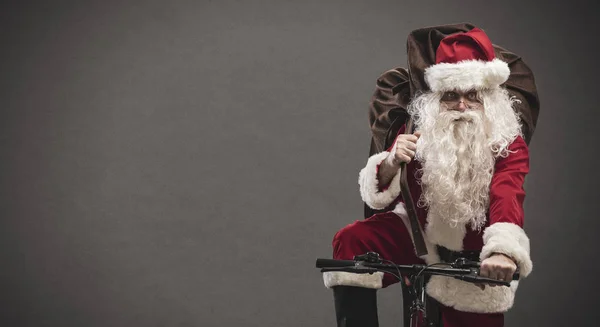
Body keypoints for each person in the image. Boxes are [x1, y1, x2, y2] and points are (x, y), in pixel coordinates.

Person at [322, 25, 539, 327]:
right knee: (352, 240)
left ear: (488, 98)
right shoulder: (420, 128)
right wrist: (391, 161)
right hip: (416, 236)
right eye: (451, 95)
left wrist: (502, 252)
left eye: (473, 96)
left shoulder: (507, 141)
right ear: (437, 97)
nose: (462, 106)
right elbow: (382, 188)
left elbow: (508, 193)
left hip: (474, 256)